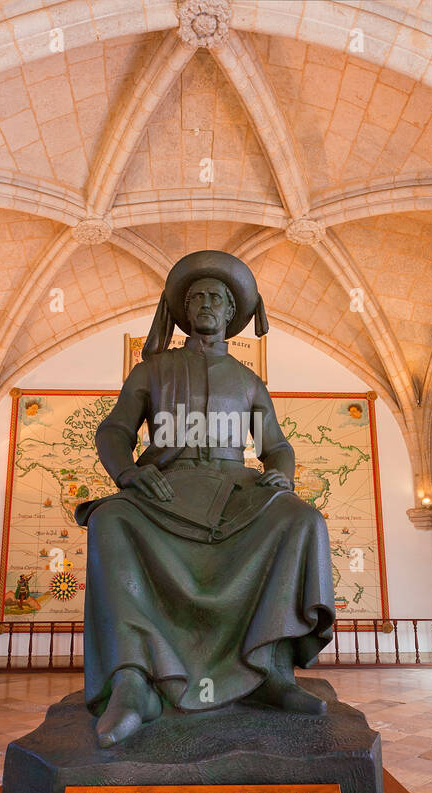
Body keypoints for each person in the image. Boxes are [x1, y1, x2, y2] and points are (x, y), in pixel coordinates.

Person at [74, 250, 336, 747]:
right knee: (110, 521)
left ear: (233, 314)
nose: (207, 304)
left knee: (302, 521)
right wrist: (129, 474)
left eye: (217, 297)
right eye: (197, 297)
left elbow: (275, 446)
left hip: (237, 491)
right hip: (165, 488)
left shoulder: (249, 381)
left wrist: (281, 474)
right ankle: (132, 683)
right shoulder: (151, 371)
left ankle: (273, 672)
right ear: (183, 310)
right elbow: (114, 432)